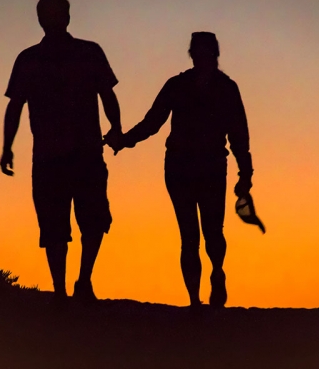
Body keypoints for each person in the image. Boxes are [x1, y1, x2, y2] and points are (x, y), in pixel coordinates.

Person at [106, 32, 253, 308]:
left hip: (207, 168)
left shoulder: (224, 88)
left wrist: (246, 173)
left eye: (206, 52)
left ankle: (216, 273)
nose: (203, 57)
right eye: (199, 52)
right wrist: (125, 140)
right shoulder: (182, 85)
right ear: (194, 54)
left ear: (212, 55)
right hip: (181, 168)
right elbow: (152, 122)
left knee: (211, 232)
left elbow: (239, 135)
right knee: (190, 236)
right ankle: (195, 299)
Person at [0, 0, 122, 305]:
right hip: (55, 156)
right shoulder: (32, 59)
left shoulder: (85, 53)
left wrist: (116, 127)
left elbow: (107, 94)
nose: (53, 20)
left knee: (90, 220)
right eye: (49, 14)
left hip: (79, 155)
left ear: (65, 18)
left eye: (56, 14)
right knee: (56, 224)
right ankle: (63, 287)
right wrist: (7, 146)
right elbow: (15, 106)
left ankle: (79, 282)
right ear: (43, 19)